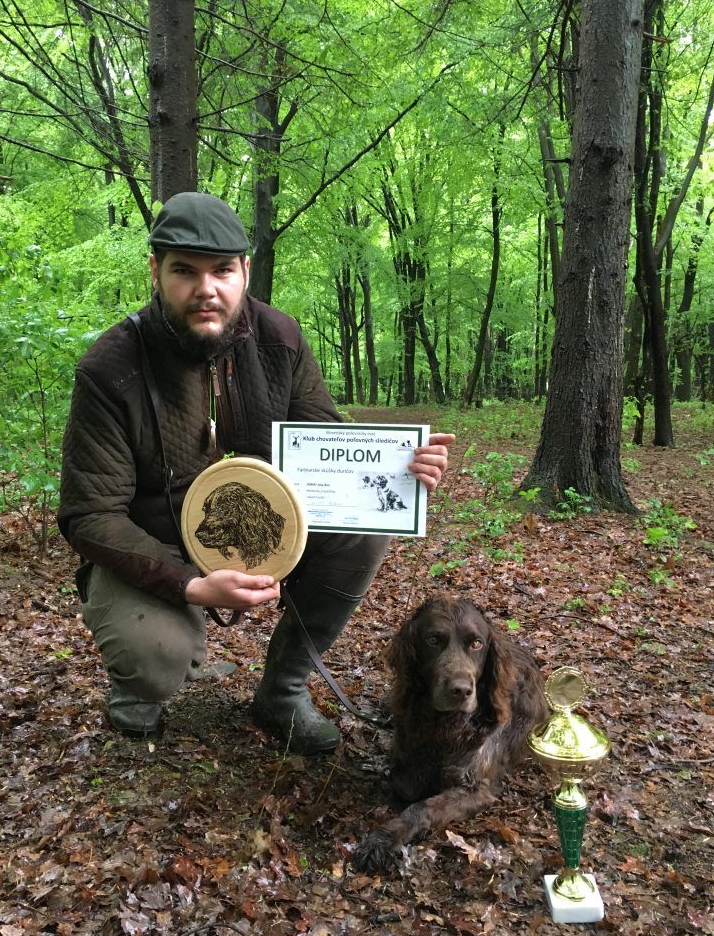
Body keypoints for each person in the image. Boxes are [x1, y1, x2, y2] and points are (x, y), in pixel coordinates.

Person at [58, 192, 455, 754]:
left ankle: (283, 691)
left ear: (244, 269)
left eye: (222, 270)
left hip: (264, 527)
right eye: (184, 272)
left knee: (366, 528)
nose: (206, 289)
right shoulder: (111, 368)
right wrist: (190, 584)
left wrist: (397, 470)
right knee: (155, 656)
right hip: (158, 542)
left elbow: (325, 448)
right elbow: (89, 514)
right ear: (155, 271)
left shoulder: (280, 339)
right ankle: (140, 690)